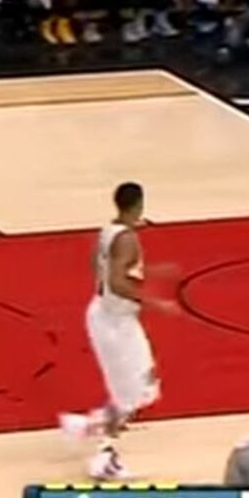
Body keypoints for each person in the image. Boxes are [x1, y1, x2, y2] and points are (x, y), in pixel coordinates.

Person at [59, 182, 176, 480]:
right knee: (132, 394)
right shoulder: (127, 239)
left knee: (143, 387)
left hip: (106, 315)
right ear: (138, 205)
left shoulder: (107, 231)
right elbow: (117, 282)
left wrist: (154, 271)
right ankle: (104, 457)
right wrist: (157, 303)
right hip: (115, 323)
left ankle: (89, 425)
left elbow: (100, 268)